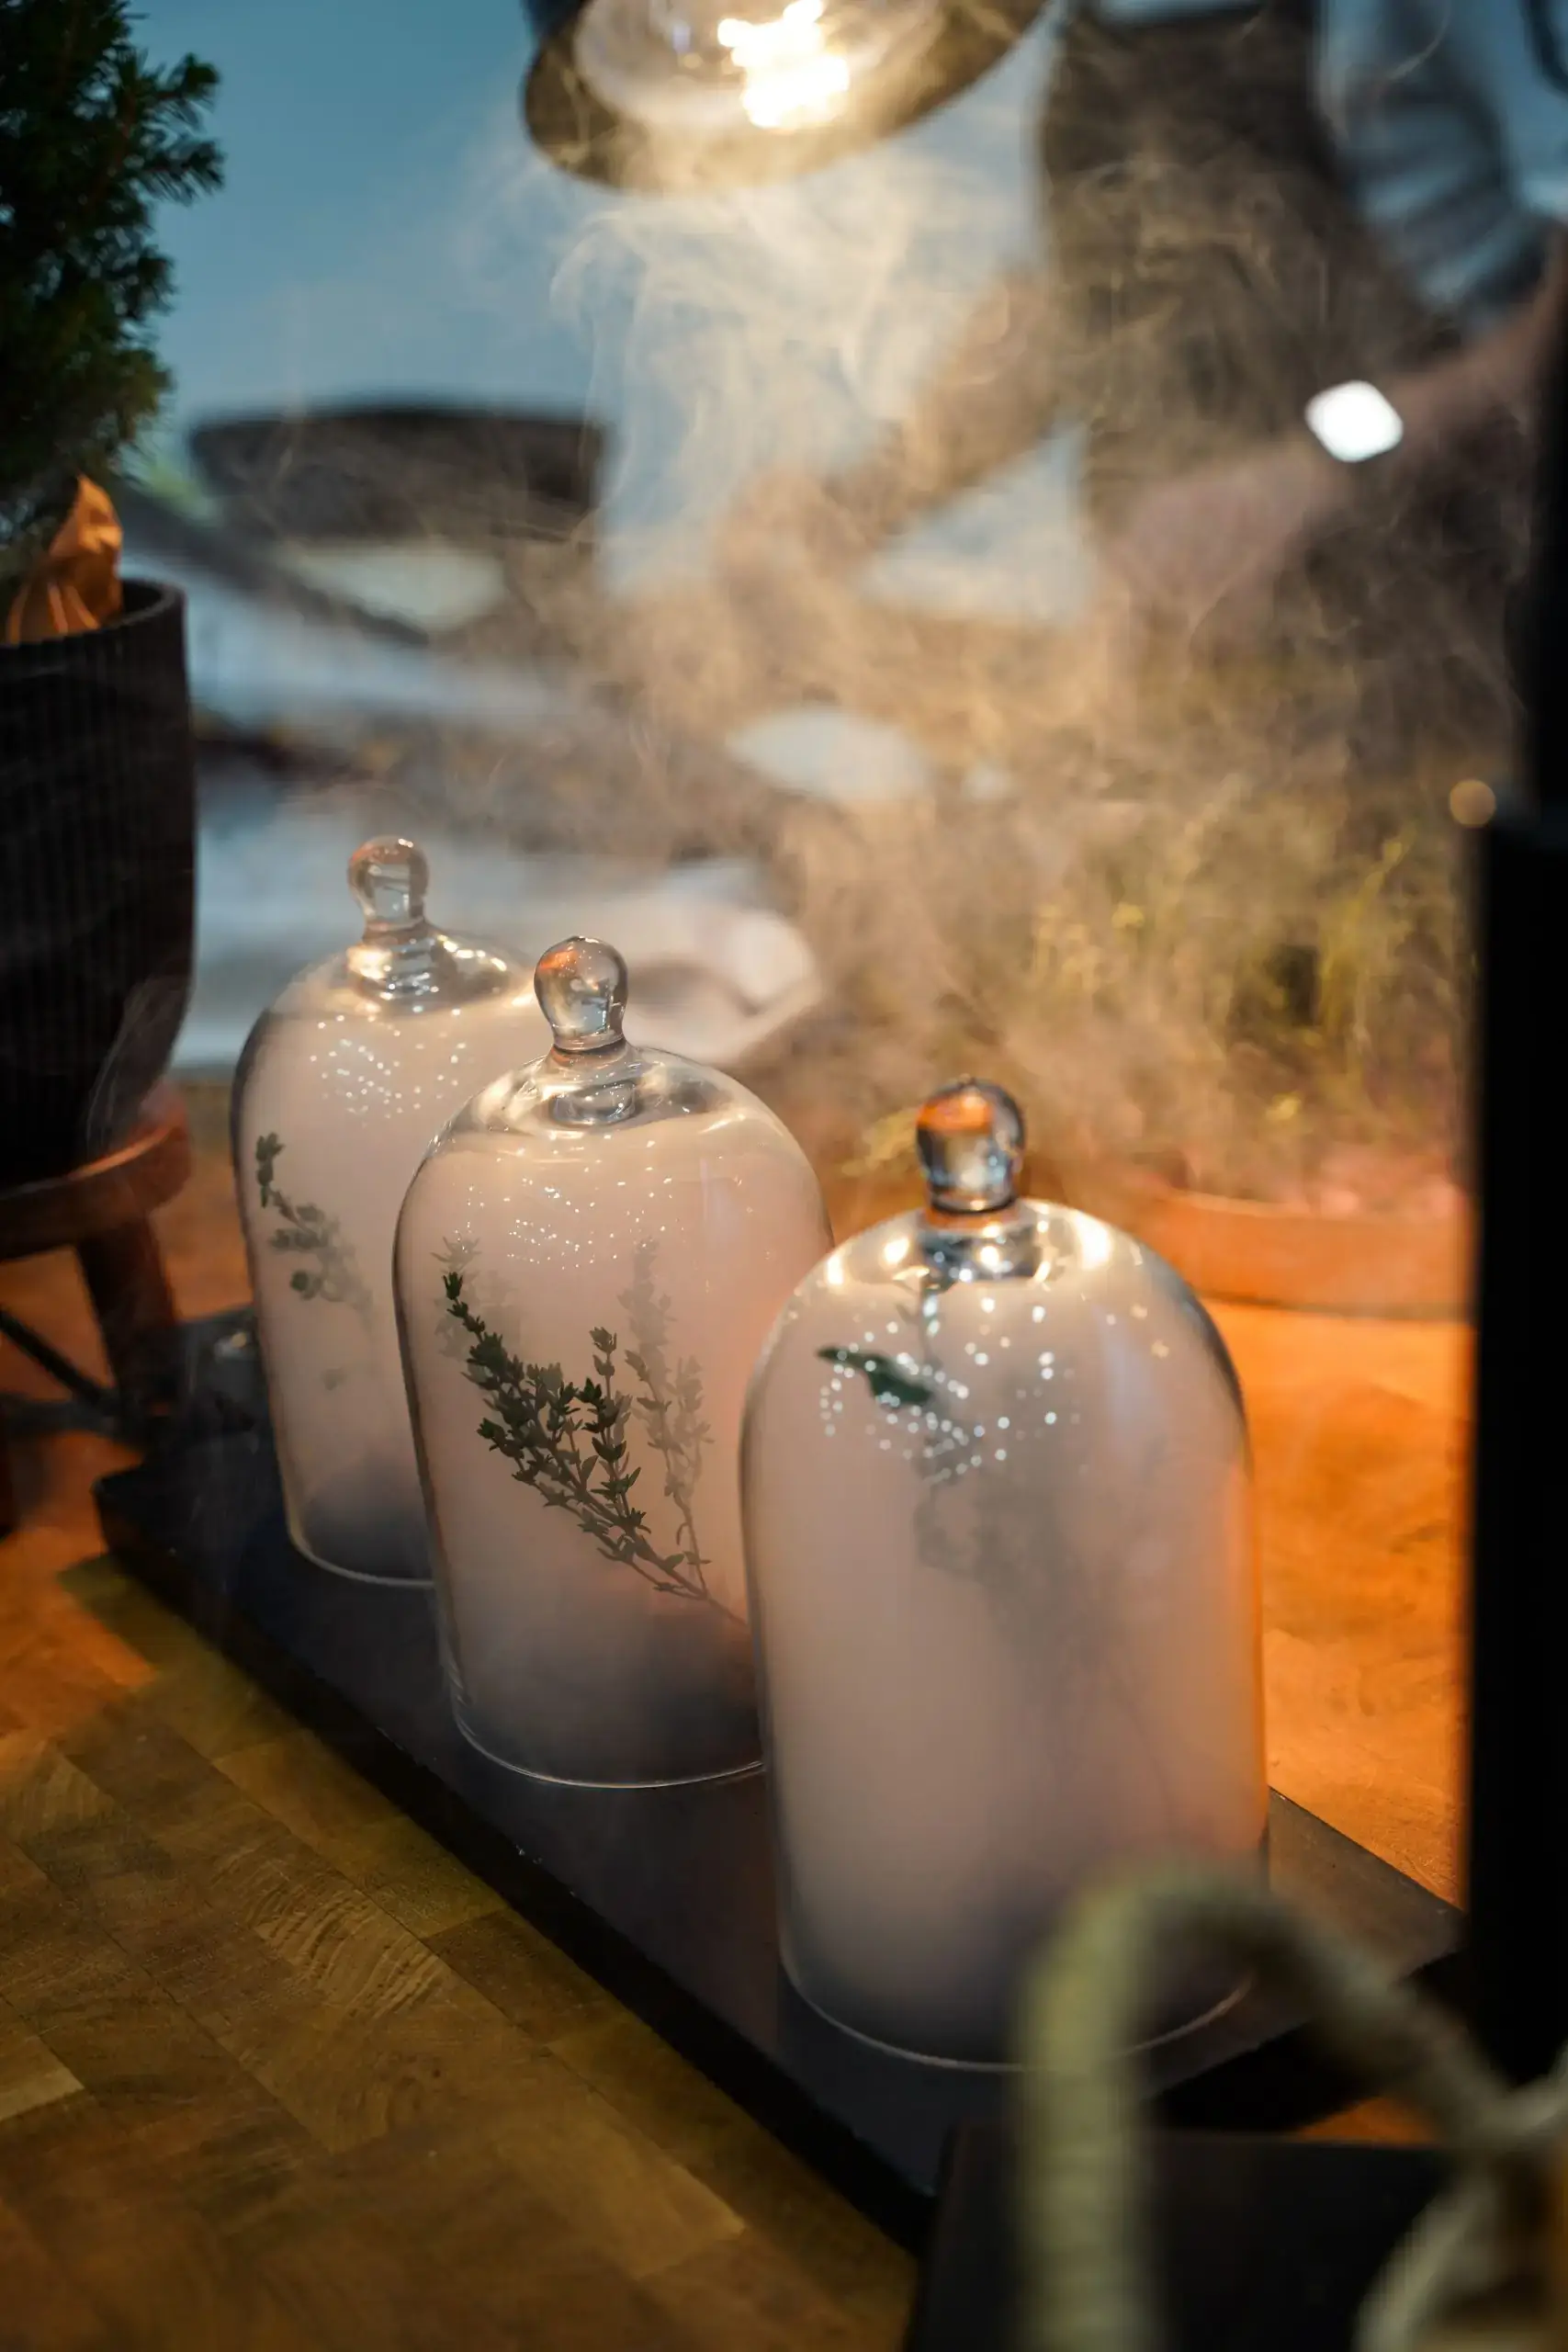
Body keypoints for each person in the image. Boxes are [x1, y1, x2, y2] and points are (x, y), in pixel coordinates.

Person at [717, 0, 1567, 756]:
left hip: (1454, 647)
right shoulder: (1107, 25)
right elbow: (1075, 297)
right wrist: (867, 498)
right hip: (1214, 684)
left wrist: (1315, 463)